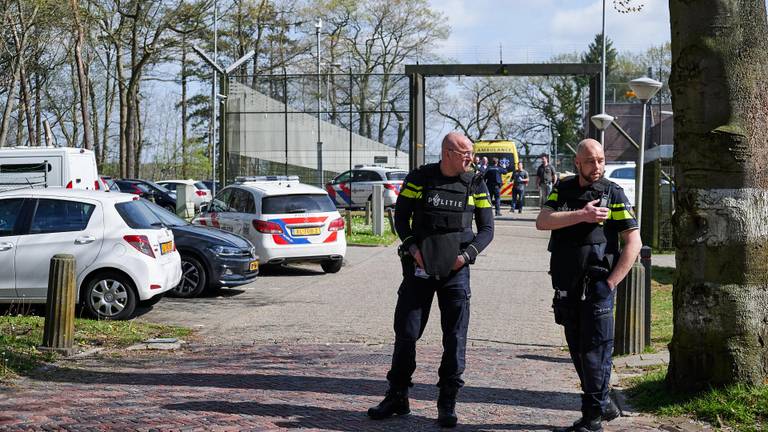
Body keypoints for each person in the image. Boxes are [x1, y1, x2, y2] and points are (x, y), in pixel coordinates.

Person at [367, 132, 494, 428]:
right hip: (419, 269)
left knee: (455, 337)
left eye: (471, 154)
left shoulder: (475, 183)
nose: (471, 159)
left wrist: (466, 256)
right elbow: (401, 218)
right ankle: (397, 395)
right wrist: (412, 247)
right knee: (407, 332)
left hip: (456, 272)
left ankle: (447, 401)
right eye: (465, 153)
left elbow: (487, 229)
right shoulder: (420, 178)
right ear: (448, 152)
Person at [536, 139, 641, 432]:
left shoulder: (613, 193)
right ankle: (603, 403)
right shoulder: (563, 189)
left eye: (601, 160)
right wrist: (582, 215)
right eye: (590, 161)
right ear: (577, 163)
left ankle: (592, 419)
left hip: (597, 286)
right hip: (566, 286)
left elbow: (633, 242)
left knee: (596, 351)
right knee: (577, 349)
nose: (597, 167)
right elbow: (543, 221)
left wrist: (610, 283)